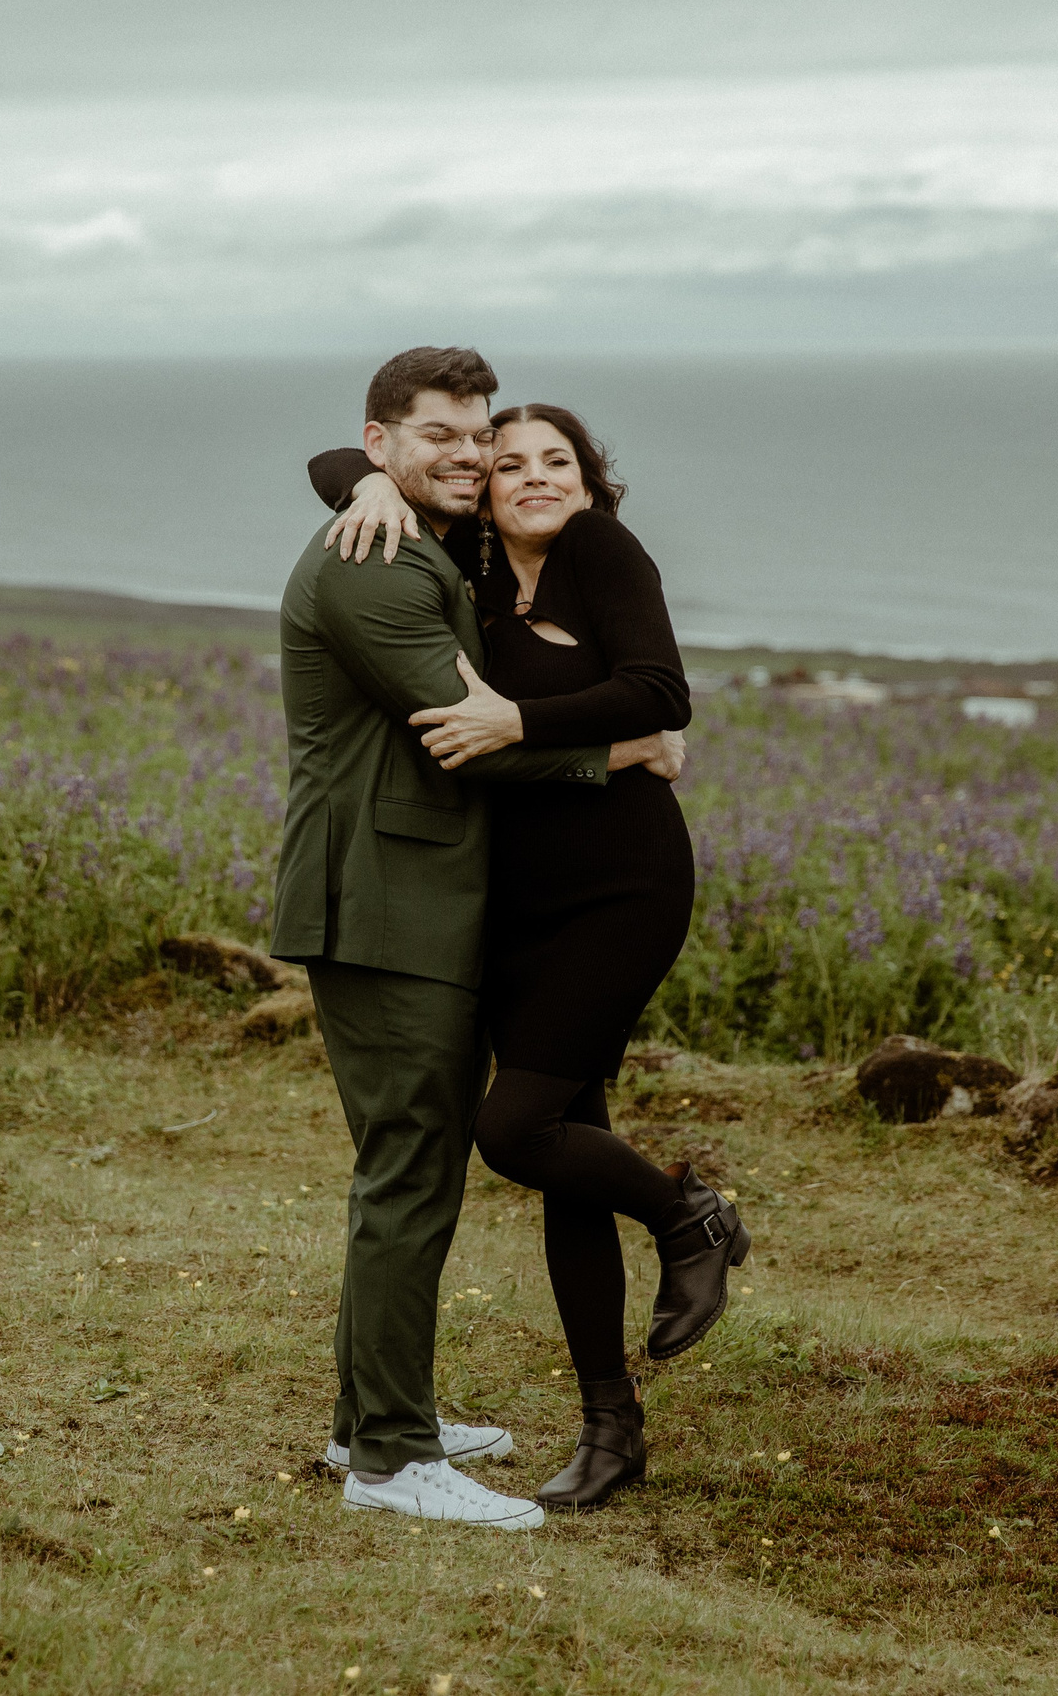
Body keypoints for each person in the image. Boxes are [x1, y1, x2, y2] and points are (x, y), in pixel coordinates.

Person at [303, 402, 749, 1512]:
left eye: (559, 461)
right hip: (508, 905)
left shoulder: (603, 550)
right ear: (482, 491)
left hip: (619, 886)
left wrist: (516, 724)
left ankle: (688, 1214)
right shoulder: (468, 564)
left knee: (517, 1130)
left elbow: (662, 695)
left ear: (590, 483)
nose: (533, 477)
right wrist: (362, 484)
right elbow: (346, 463)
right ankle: (610, 1429)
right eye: (509, 463)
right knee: (566, 1147)